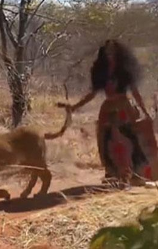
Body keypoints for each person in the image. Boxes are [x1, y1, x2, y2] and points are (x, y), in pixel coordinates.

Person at [63, 39, 157, 187]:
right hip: (107, 110)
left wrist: (145, 111)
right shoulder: (102, 72)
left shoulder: (124, 70)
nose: (110, 53)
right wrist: (75, 106)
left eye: (112, 50)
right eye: (107, 51)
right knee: (107, 142)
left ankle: (135, 175)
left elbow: (135, 92)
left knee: (130, 141)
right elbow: (92, 94)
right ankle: (112, 174)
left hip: (124, 108)